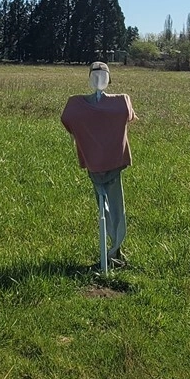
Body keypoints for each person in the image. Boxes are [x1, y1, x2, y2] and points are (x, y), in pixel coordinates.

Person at [59, 62, 136, 275]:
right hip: (111, 162)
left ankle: (112, 252)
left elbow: (66, 121)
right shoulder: (121, 102)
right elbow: (129, 116)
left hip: (97, 164)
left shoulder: (75, 105)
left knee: (106, 208)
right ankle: (113, 250)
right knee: (115, 208)